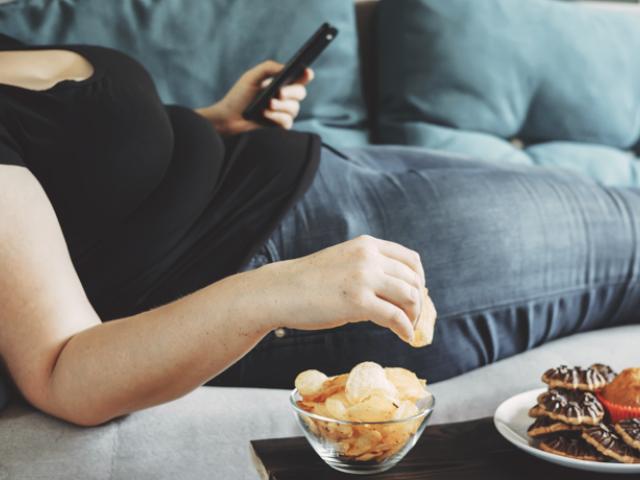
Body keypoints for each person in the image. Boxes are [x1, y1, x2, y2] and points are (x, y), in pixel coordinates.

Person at [0, 33, 638, 427]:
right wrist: (276, 290)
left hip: (318, 169)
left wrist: (214, 122)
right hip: (294, 248)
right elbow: (61, 374)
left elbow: (77, 176)